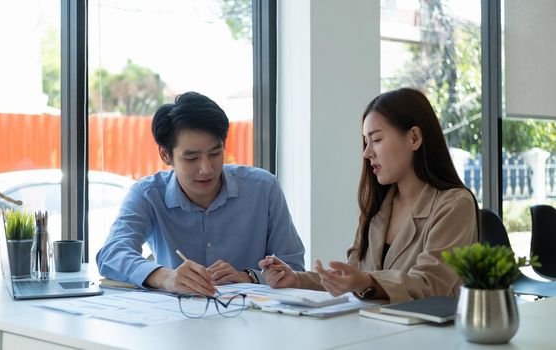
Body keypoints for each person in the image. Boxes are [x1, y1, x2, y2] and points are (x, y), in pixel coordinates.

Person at [259, 88, 479, 303]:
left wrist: (366, 282)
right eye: (366, 141)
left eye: (377, 139)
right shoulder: (379, 207)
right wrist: (296, 279)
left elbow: (430, 284)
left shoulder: (455, 205)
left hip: (428, 335)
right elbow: (351, 278)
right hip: (375, 331)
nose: (367, 152)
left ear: (414, 138)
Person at [97, 91, 305, 296]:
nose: (206, 169)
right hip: (175, 318)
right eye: (191, 158)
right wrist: (166, 277)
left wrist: (249, 276)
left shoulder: (263, 188)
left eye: (215, 154)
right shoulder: (148, 195)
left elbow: (294, 268)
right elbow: (111, 254)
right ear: (165, 154)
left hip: (251, 317)